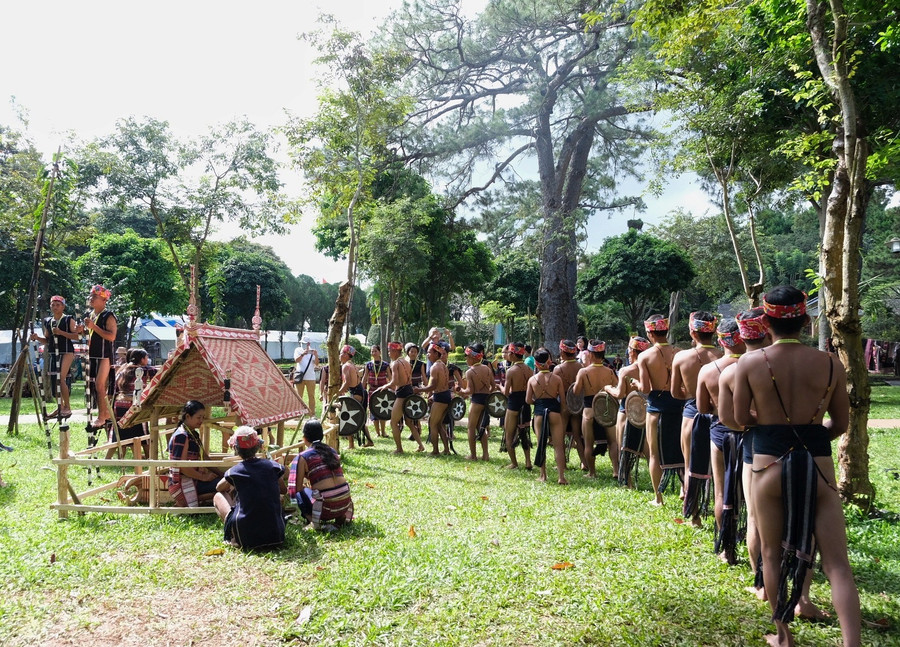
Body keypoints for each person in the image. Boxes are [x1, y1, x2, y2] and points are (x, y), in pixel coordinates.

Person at [732, 286, 860, 647]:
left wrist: (772, 424)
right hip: (817, 463)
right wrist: (809, 434)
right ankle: (853, 642)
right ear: (806, 321)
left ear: (766, 323)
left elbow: (740, 418)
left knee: (771, 555)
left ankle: (784, 636)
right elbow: (840, 425)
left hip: (766, 464)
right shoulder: (831, 364)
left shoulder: (749, 363)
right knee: (837, 564)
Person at [694, 318, 744, 540]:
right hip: (752, 432)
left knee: (720, 491)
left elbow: (702, 408)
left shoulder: (707, 370)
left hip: (720, 432)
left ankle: (726, 547)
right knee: (751, 495)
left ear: (721, 340)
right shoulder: (759, 366)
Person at [637, 314, 684, 506]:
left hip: (656, 408)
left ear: (649, 333)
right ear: (666, 331)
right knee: (683, 451)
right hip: (680, 406)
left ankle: (658, 497)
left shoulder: (645, 356)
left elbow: (646, 388)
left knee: (654, 454)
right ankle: (685, 489)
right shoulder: (680, 353)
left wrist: (635, 383)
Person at [214, 426, 287, 550]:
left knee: (218, 496)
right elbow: (283, 490)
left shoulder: (235, 472)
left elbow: (219, 488)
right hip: (276, 537)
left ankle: (233, 535)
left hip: (246, 539)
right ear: (258, 446)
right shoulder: (273, 467)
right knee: (278, 498)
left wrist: (236, 485)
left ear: (236, 449)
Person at [671, 311, 721, 489]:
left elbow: (675, 392)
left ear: (692, 332)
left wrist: (693, 394)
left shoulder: (681, 357)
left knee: (689, 465)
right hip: (718, 413)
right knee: (718, 469)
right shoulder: (722, 356)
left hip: (691, 413)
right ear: (713, 332)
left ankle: (691, 508)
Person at [288, 419, 354, 530]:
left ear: (304, 438)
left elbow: (297, 488)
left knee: (300, 493)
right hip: (344, 503)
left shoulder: (303, 457)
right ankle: (339, 518)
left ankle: (311, 520)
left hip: (325, 509)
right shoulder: (332, 451)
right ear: (322, 436)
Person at [604, 336, 652, 487]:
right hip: (646, 411)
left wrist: (608, 388)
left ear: (632, 351)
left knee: (623, 448)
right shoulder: (652, 369)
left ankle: (628, 482)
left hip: (625, 410)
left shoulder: (626, 370)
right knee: (650, 451)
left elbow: (619, 394)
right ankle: (655, 482)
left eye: (629, 350)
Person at [572, 340, 618, 479]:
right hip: (606, 409)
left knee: (588, 443)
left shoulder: (583, 371)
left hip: (589, 410)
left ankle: (592, 472)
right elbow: (616, 388)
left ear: (591, 354)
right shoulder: (609, 371)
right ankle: (615, 470)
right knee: (613, 442)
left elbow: (576, 391)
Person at [30, 295, 78, 418]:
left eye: (58, 305)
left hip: (66, 351)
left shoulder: (68, 319)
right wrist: (37, 338)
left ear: (63, 306)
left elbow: (77, 336)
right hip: (53, 352)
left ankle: (67, 407)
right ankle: (59, 406)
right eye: (53, 305)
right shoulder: (47, 321)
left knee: (60, 378)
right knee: (54, 379)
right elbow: (47, 340)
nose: (55, 307)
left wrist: (61, 332)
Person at [167, 401, 221, 507]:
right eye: (198, 417)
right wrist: (203, 477)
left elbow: (204, 457)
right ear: (188, 416)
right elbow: (182, 467)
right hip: (183, 482)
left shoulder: (193, 434)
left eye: (203, 418)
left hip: (194, 479)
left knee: (224, 482)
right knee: (225, 486)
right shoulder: (181, 436)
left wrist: (220, 473)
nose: (201, 421)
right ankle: (187, 501)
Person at [526, 347, 567, 484]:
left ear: (536, 363)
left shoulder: (532, 380)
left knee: (540, 444)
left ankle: (543, 475)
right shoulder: (557, 379)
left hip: (539, 412)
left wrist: (538, 402)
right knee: (558, 446)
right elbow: (563, 400)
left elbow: (527, 400)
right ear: (549, 362)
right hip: (554, 412)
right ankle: (561, 477)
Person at [79, 285, 118, 427]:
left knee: (100, 385)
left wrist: (93, 327)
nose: (91, 299)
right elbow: (91, 334)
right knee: (95, 386)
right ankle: (105, 413)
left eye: (94, 296)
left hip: (105, 355)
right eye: (90, 296)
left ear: (103, 300)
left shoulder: (109, 315)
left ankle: (102, 416)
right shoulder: (91, 315)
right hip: (93, 355)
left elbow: (112, 336)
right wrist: (82, 331)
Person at [376, 341, 424, 453]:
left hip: (402, 393)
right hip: (409, 390)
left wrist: (385, 386)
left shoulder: (395, 363)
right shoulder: (406, 362)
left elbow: (395, 381)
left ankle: (399, 449)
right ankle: (420, 445)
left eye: (389, 351)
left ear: (394, 351)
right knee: (409, 422)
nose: (388, 353)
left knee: (393, 422)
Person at [113, 348, 157, 455]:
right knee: (142, 433)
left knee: (122, 432)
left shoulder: (122, 370)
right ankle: (148, 456)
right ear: (142, 359)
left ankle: (121, 457)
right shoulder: (147, 370)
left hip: (119, 406)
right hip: (134, 406)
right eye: (146, 357)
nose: (148, 360)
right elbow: (160, 375)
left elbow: (115, 389)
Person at [455, 342, 494, 461]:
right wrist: (487, 394)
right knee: (480, 427)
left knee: (471, 427)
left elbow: (470, 390)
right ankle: (485, 455)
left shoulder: (470, 371)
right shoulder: (487, 368)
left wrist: (460, 391)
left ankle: (473, 455)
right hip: (486, 400)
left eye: (466, 357)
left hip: (476, 400)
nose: (466, 359)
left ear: (472, 357)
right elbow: (493, 386)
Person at [415, 343, 452, 455]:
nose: (427, 354)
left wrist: (419, 390)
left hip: (440, 397)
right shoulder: (443, 365)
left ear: (436, 354)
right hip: (444, 395)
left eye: (430, 352)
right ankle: (446, 449)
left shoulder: (435, 367)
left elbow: (433, 386)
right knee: (439, 424)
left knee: (432, 423)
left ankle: (435, 451)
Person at [502, 342, 534, 470]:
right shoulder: (529, 370)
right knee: (524, 433)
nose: (508, 355)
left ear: (513, 355)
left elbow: (506, 392)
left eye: (509, 352)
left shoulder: (511, 371)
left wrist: (499, 387)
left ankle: (514, 463)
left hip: (514, 403)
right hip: (525, 403)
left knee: (509, 434)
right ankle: (528, 462)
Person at [555, 339, 584, 468]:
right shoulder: (581, 367)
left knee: (560, 435)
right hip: (577, 403)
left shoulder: (558, 369)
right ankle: (584, 462)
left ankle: (562, 464)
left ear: (562, 352)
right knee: (577, 435)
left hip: (564, 403)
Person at [337, 344, 373, 448]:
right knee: (358, 419)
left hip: (357, 393)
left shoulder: (346, 366)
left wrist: (338, 393)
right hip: (359, 391)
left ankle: (351, 444)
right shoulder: (351, 364)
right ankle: (368, 441)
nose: (339, 355)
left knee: (348, 417)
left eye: (341, 353)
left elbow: (347, 382)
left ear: (346, 355)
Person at [364, 345, 391, 438]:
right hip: (372, 390)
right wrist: (363, 388)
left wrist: (391, 388)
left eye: (375, 351)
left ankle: (383, 431)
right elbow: (365, 377)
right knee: (373, 410)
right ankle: (377, 432)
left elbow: (390, 377)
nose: (373, 353)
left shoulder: (385, 365)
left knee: (382, 410)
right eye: (372, 351)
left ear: (379, 352)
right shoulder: (368, 364)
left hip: (382, 391)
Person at [293, 336, 319, 414]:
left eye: (305, 343)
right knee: (298, 396)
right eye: (302, 343)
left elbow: (317, 364)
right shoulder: (298, 350)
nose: (303, 345)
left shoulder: (312, 351)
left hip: (311, 377)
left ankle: (312, 414)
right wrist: (303, 354)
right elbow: (297, 360)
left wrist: (316, 355)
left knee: (311, 396)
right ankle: (298, 413)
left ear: (309, 343)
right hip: (300, 376)